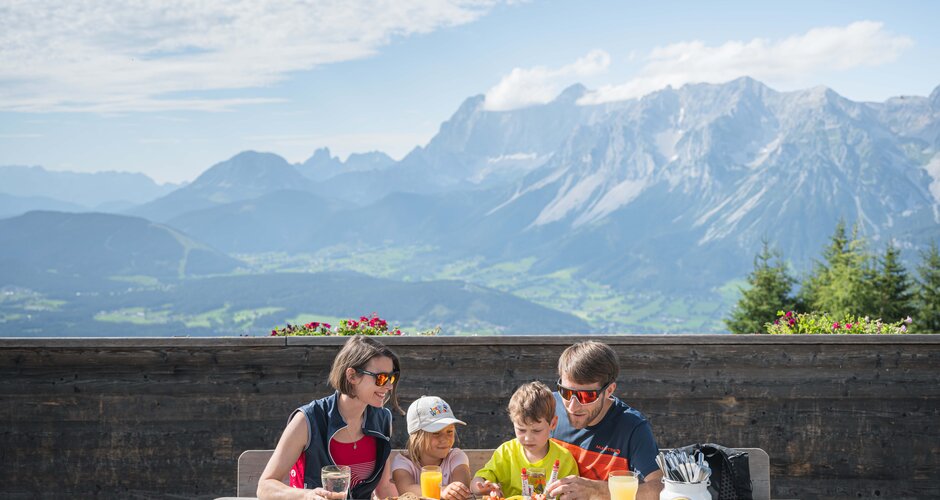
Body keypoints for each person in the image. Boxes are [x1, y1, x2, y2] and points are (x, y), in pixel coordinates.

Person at [257, 335, 402, 500]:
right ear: (352, 376)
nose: (389, 386)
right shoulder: (307, 420)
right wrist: (306, 496)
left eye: (391, 378)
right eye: (382, 378)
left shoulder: (382, 419)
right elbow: (265, 486)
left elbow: (384, 489)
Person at [545, 341, 664, 500]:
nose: (572, 406)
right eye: (566, 392)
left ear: (609, 390)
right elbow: (519, 453)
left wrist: (598, 491)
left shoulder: (632, 427)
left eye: (585, 396)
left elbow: (659, 489)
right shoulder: (549, 406)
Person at [471, 381, 579, 498]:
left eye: (536, 431)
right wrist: (482, 487)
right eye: (521, 430)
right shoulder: (506, 453)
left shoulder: (564, 460)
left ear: (553, 423)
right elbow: (477, 482)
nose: (528, 438)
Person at [391, 396, 473, 500]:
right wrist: (442, 492)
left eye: (450, 431)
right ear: (417, 436)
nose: (445, 439)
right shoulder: (403, 462)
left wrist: (453, 491)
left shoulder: (456, 457)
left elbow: (461, 490)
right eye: (436, 433)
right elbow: (406, 489)